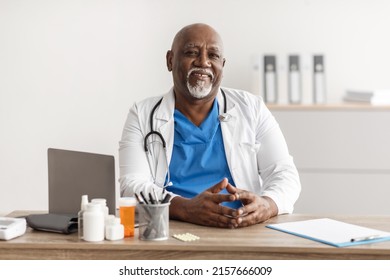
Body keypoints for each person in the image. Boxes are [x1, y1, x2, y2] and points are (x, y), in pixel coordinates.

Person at [119, 23, 301, 228]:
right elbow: (131, 186)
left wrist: (268, 205)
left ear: (222, 64)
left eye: (213, 55)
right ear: (170, 60)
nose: (203, 62)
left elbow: (284, 174)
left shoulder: (251, 108)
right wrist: (185, 208)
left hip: (242, 226)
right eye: (191, 52)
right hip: (173, 225)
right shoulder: (143, 114)